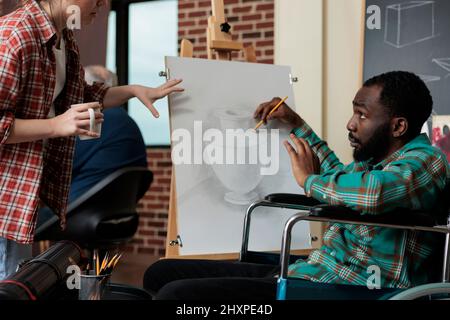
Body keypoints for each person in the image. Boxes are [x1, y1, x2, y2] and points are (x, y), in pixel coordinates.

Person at [143, 71, 449, 300]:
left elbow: (373, 193)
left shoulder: (426, 162)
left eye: (362, 115)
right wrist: (295, 123)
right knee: (161, 272)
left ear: (398, 126)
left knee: (178, 297)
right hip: (316, 271)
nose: (351, 123)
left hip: (355, 289)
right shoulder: (374, 161)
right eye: (354, 111)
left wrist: (308, 180)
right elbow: (338, 176)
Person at [0, 0, 183, 280]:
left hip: (21, 192)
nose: (102, 3)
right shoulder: (16, 34)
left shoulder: (63, 38)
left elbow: (83, 95)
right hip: (5, 192)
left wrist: (134, 90)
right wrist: (55, 125)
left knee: (17, 283)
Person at [36, 65, 148, 228]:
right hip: (121, 215)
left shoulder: (97, 121)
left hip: (79, 211)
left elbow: (61, 167)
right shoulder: (128, 122)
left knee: (13, 220)